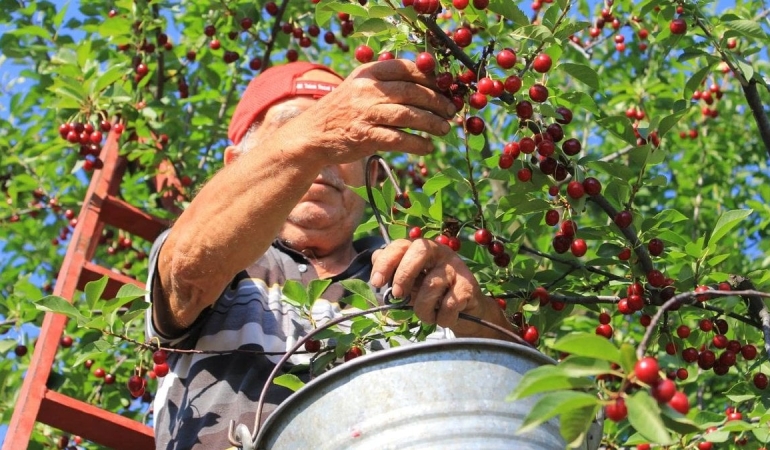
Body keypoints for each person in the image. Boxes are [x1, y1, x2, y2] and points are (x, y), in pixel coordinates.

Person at [145, 59, 515, 449]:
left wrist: (478, 320)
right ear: (238, 166)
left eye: (344, 145)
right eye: (289, 130)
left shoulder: (410, 281)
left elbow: (530, 412)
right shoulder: (225, 266)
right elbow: (187, 268)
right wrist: (317, 133)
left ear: (372, 177)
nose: (322, 158)